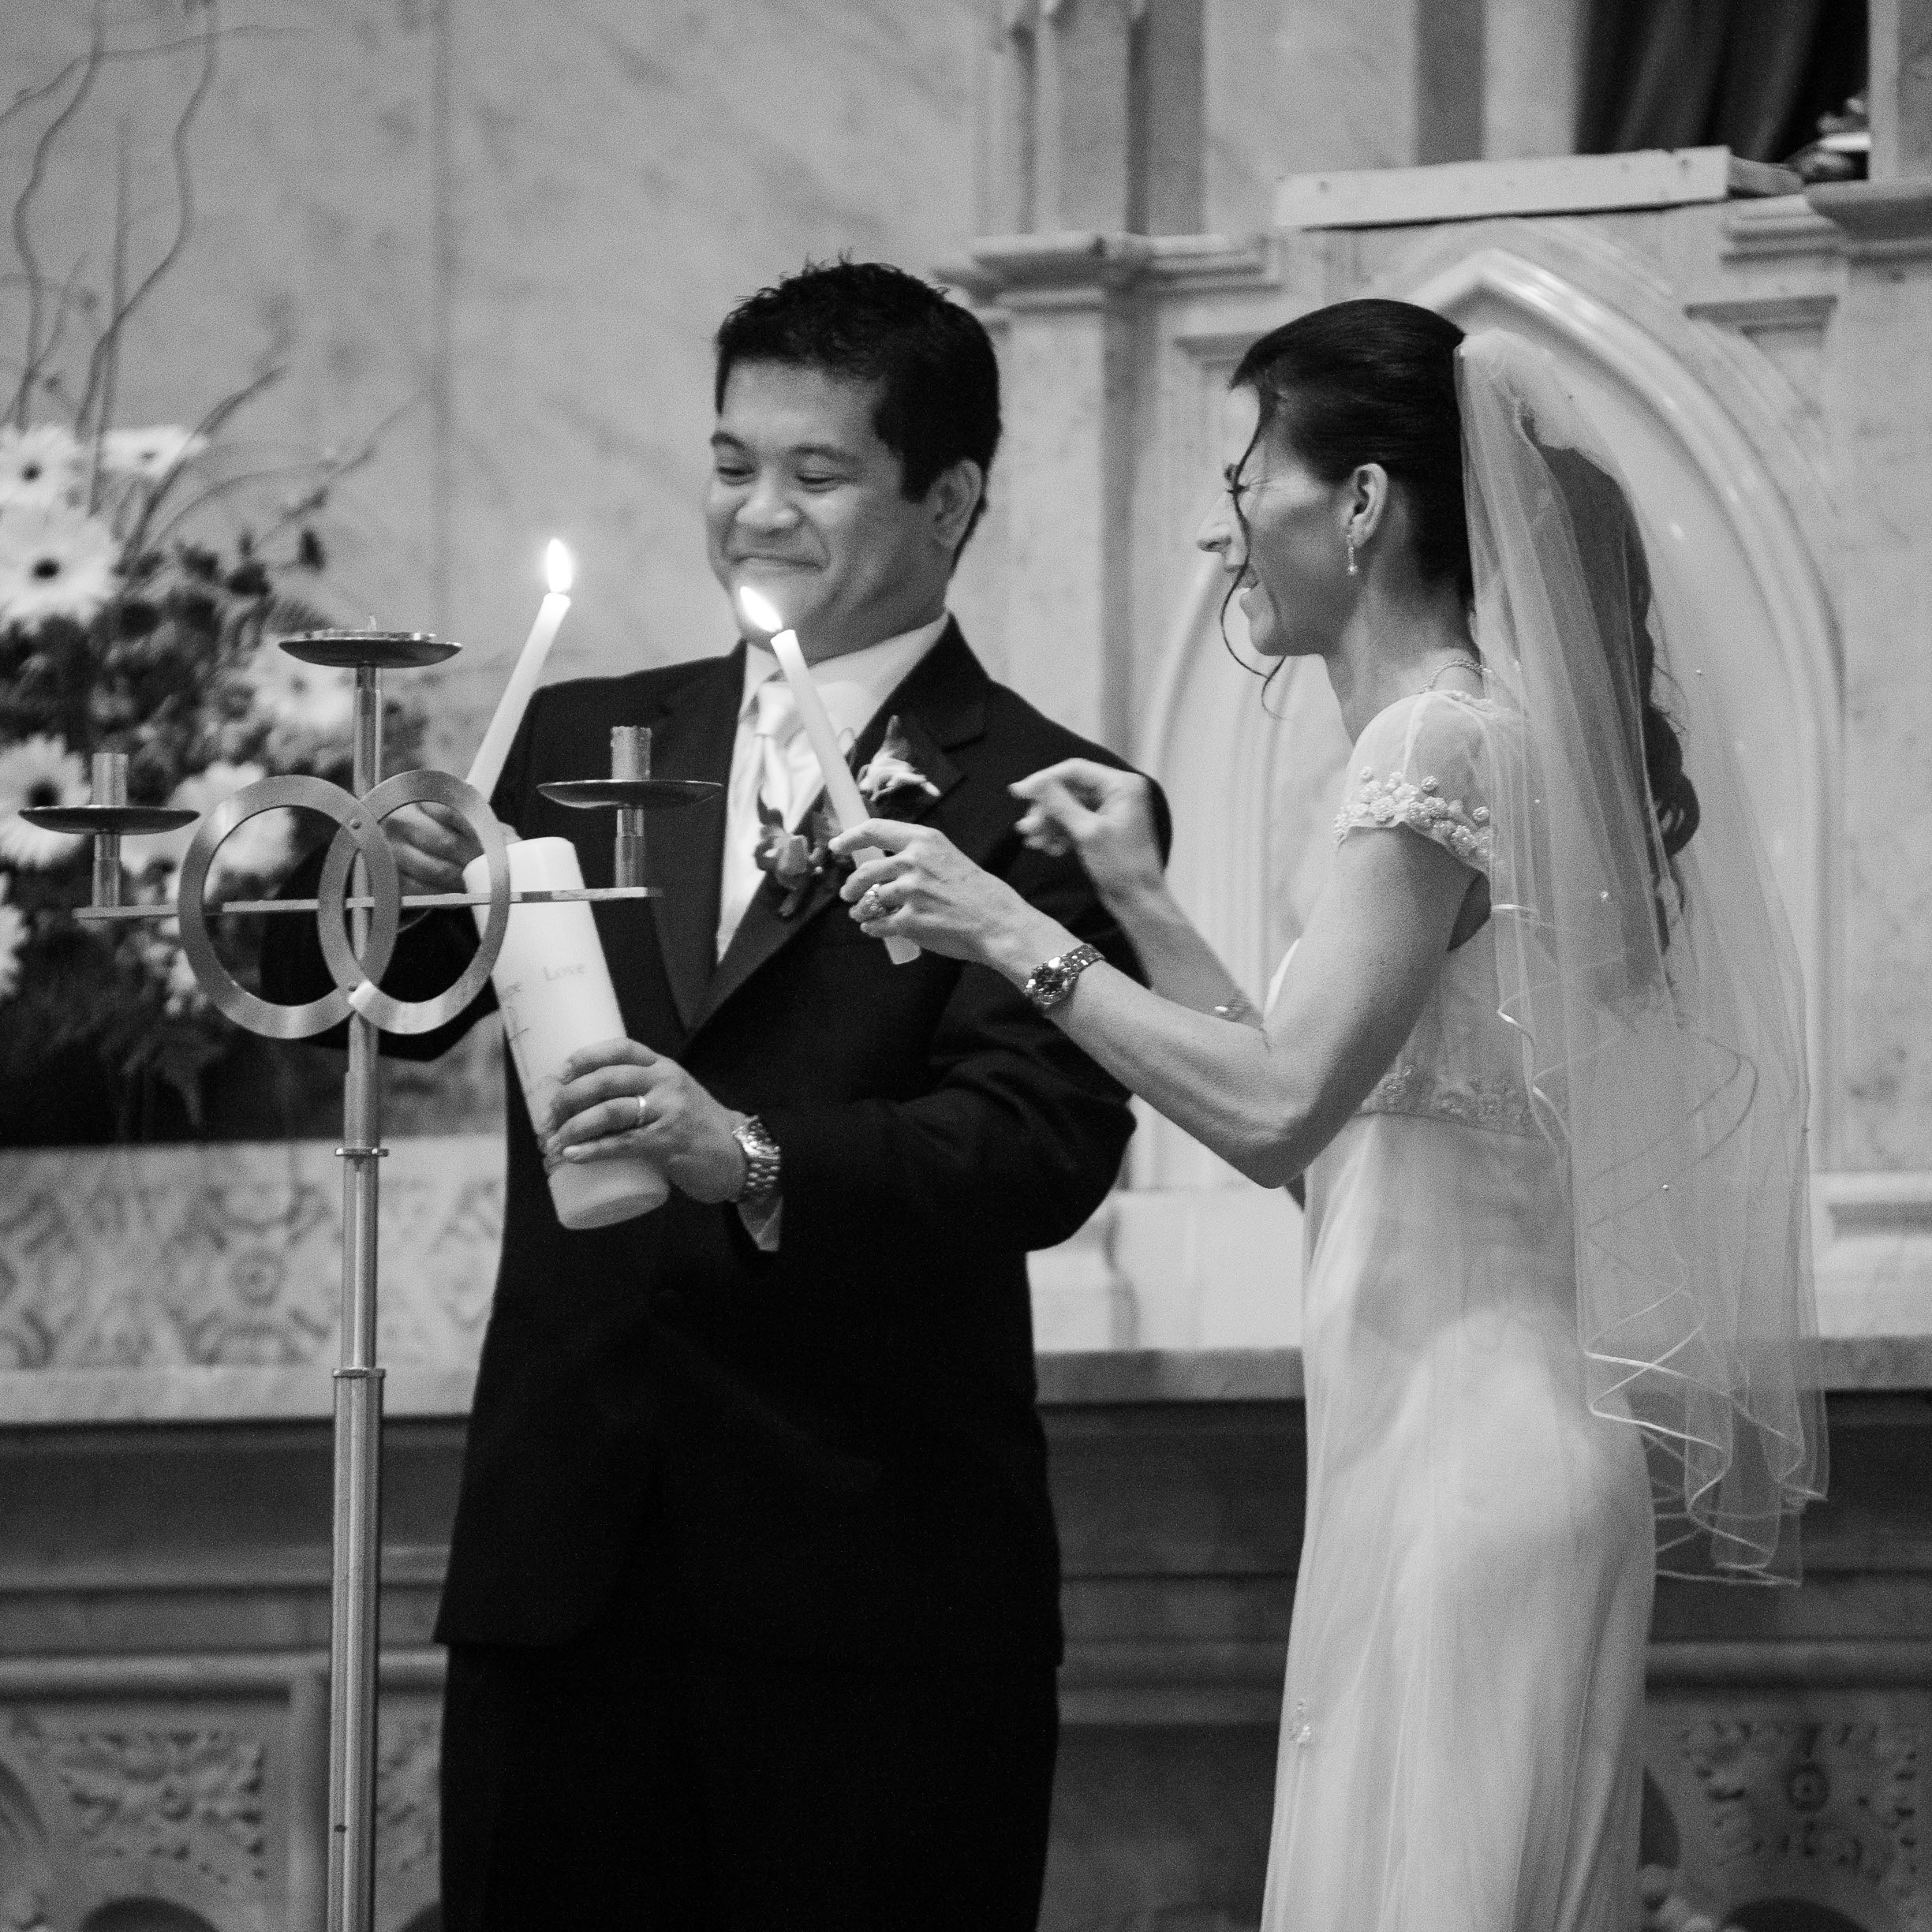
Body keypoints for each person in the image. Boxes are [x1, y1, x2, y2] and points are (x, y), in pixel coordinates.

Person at [831, 300, 1825, 1930]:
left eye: (1247, 482)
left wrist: (1001, 924)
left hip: (1471, 1464)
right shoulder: (1446, 742)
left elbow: (1279, 1107)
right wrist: (1139, 903)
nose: (1227, 536)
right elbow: (1319, 1133)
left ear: (1358, 504)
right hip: (1431, 1449)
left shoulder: (1431, 743)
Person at [264, 260, 1164, 1930]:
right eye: (731, 462)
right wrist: (319, 864)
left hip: (874, 1580)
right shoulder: (575, 743)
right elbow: (350, 1009)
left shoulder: (1045, 800)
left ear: (950, 497)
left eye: (815, 473)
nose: (756, 512)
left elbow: (1032, 1146)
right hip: (569, 1561)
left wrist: (744, 1151)